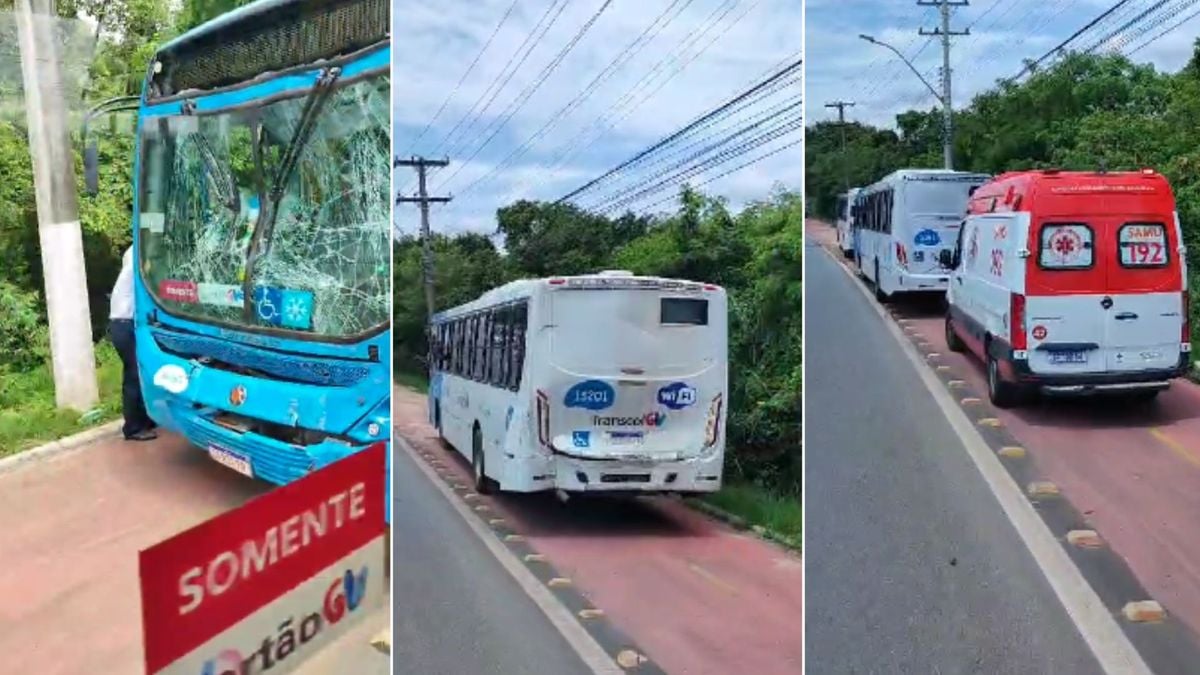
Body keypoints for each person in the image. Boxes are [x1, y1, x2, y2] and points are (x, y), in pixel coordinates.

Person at [109, 246, 157, 441]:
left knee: (138, 372)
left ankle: (143, 419)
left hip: (122, 324)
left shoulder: (130, 265)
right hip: (125, 324)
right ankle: (133, 428)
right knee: (134, 375)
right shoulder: (136, 270)